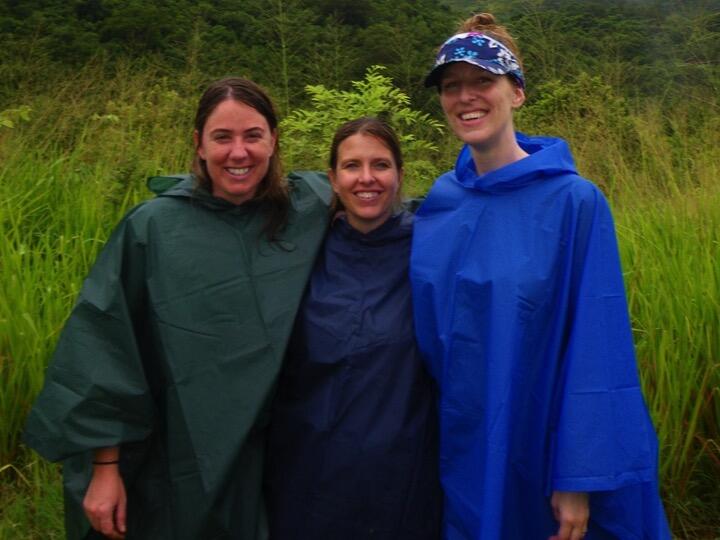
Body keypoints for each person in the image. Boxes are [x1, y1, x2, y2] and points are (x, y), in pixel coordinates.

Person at [23, 77, 332, 540]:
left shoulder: (309, 207)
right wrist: (104, 468)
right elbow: (105, 343)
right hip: (179, 453)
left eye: (252, 136)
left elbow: (385, 204)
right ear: (199, 145)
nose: (239, 153)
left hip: (279, 453)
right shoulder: (154, 228)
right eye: (222, 138)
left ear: (273, 140)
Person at [409, 13, 671, 540]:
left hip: (545, 447)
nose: (466, 97)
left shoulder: (574, 202)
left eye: (483, 81)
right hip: (466, 447)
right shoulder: (439, 204)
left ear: (518, 92)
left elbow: (599, 347)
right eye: (451, 86)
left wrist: (579, 478)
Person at [265, 117, 443, 540]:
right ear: (332, 178)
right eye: (352, 166)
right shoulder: (298, 253)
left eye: (380, 165)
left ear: (399, 174)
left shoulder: (432, 249)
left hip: (403, 475)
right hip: (308, 470)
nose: (367, 179)